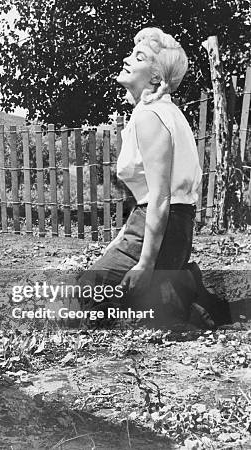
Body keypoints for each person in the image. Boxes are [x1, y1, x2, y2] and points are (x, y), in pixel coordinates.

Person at [78, 27, 226, 327]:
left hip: (163, 224)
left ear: (156, 78)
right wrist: (120, 240)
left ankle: (181, 295)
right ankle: (180, 284)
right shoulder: (168, 111)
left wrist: (144, 264)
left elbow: (160, 197)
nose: (127, 59)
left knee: (90, 292)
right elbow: (152, 197)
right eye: (132, 53)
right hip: (175, 225)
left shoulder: (149, 115)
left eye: (139, 56)